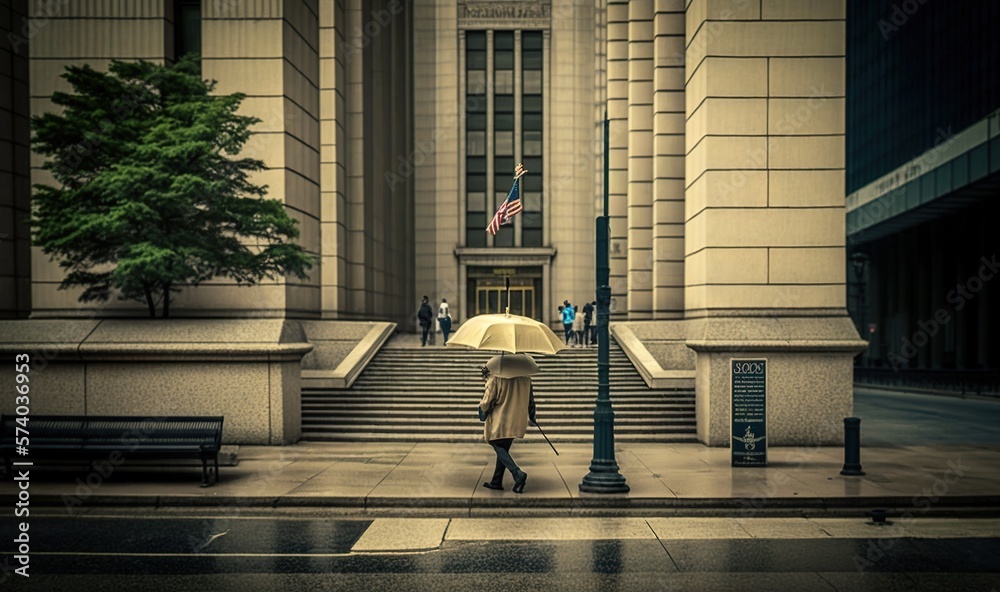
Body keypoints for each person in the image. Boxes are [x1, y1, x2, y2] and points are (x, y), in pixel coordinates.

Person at [478, 363, 535, 493]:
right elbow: (531, 401)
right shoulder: (526, 379)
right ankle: (496, 481)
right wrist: (533, 416)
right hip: (516, 419)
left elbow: (486, 401)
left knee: (495, 442)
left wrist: (481, 410)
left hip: (500, 419)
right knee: (503, 448)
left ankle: (517, 473)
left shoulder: (496, 378)